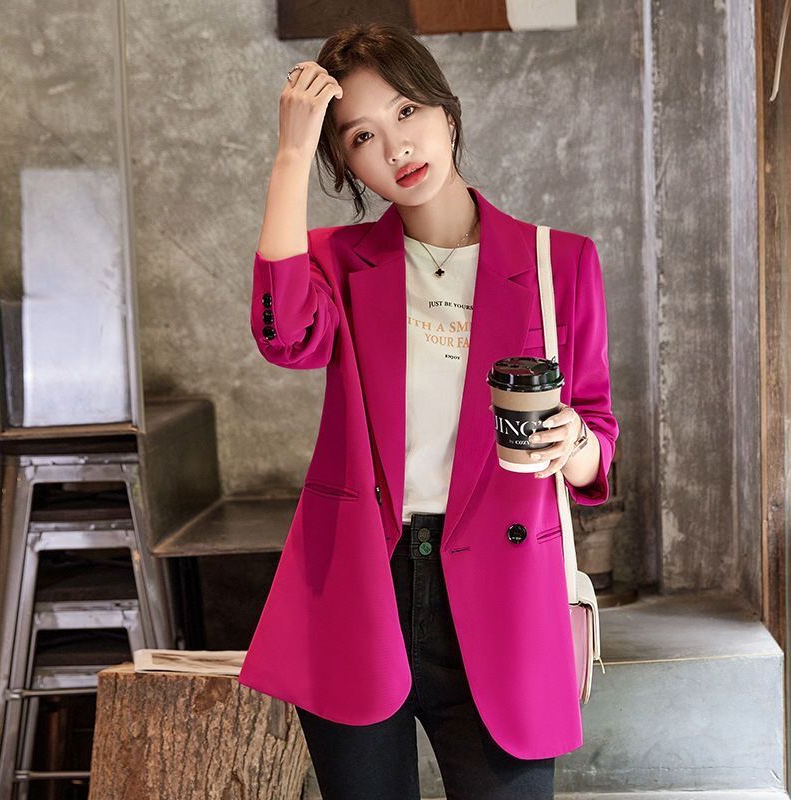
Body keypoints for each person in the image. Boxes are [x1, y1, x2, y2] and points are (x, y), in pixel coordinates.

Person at [239, 21, 619, 800]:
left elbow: (596, 443)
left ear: (447, 111)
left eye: (407, 112)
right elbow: (284, 337)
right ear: (347, 164)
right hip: (362, 589)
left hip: (503, 594)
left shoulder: (559, 261)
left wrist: (573, 441)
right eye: (362, 137)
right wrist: (289, 154)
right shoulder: (340, 263)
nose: (396, 147)